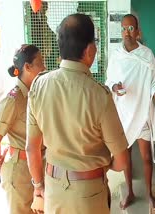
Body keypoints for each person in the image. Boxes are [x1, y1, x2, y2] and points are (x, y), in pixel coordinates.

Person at [26, 13, 129, 214]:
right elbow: (122, 160)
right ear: (90, 50)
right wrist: (103, 167)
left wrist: (39, 187)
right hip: (88, 194)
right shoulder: (99, 95)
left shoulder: (39, 86)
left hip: (53, 190)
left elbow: (32, 148)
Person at [105, 14, 155, 210]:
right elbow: (109, 81)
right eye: (124, 28)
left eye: (131, 28)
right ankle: (130, 192)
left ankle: (149, 194)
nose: (127, 32)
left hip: (142, 113)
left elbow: (153, 81)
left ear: (138, 31)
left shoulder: (147, 54)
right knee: (125, 158)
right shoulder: (116, 54)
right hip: (122, 115)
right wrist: (115, 87)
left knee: (146, 158)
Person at [0, 44, 46, 214]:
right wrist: (4, 169)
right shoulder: (12, 100)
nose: (44, 67)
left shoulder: (35, 93)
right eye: (40, 63)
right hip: (20, 172)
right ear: (27, 67)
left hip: (38, 166)